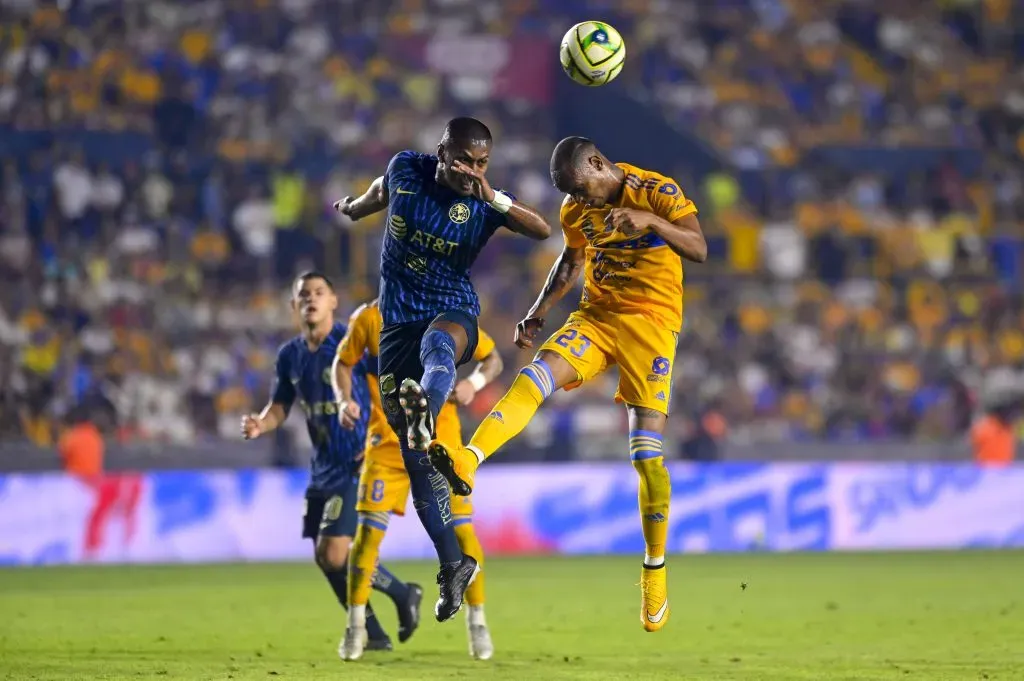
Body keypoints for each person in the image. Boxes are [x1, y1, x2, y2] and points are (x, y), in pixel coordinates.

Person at [429, 136, 707, 633]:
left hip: (652, 325)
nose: (581, 203)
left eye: (583, 190)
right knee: (535, 375)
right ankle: (468, 459)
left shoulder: (657, 191)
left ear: (599, 164)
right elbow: (571, 261)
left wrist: (654, 223)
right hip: (596, 317)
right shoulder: (575, 208)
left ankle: (654, 566)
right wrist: (537, 311)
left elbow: (699, 247)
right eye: (571, 195)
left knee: (645, 456)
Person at [333, 117, 551, 627]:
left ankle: (424, 413)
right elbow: (379, 191)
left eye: (482, 163)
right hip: (396, 327)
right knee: (418, 463)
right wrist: (355, 208)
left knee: (439, 344)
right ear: (441, 152)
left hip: (454, 313)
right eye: (464, 160)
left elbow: (542, 230)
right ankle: (454, 563)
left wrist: (493, 195)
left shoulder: (483, 200)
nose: (472, 170)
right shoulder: (408, 168)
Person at [241, 272, 421, 658]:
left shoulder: (350, 339)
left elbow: (388, 380)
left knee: (335, 553)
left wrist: (384, 434)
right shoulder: (290, 355)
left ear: (333, 301)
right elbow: (280, 406)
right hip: (321, 466)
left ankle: (388, 608)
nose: (311, 299)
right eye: (303, 295)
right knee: (326, 558)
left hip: (357, 458)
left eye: (319, 293)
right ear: (294, 306)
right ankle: (386, 615)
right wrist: (260, 423)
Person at [333, 299, 502, 660]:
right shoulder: (367, 318)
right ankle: (355, 626)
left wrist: (475, 381)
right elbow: (342, 363)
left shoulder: (444, 315)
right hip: (386, 446)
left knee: (463, 533)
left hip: (442, 444)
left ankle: (477, 622)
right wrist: (343, 400)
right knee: (366, 539)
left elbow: (493, 358)